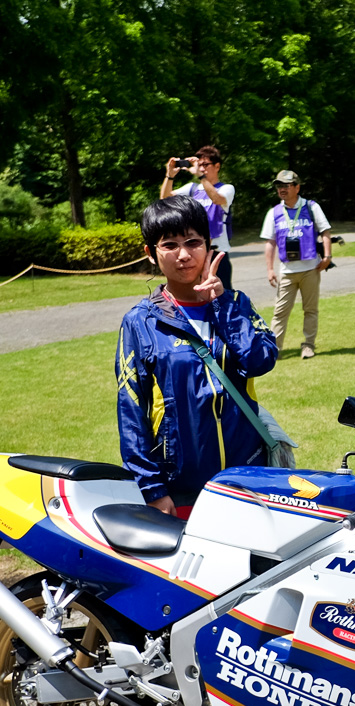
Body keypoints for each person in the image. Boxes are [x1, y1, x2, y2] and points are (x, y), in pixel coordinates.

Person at [117, 197, 276, 517]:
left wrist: (222, 306)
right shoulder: (140, 321)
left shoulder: (236, 304)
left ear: (208, 245)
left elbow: (261, 360)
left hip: (248, 476)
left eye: (193, 242)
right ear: (151, 253)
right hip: (182, 485)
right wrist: (152, 489)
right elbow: (131, 410)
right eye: (170, 245)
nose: (184, 254)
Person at [261, 169, 332, 359]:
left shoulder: (311, 207)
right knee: (280, 312)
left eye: (286, 185)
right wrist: (269, 269)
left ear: (297, 187)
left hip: (310, 269)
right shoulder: (274, 212)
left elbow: (325, 232)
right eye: (279, 186)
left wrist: (327, 257)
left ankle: (308, 345)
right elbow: (270, 242)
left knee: (310, 310)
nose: (281, 189)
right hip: (286, 271)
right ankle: (275, 349)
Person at [161, 145, 236, 290]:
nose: (201, 168)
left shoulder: (226, 188)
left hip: (217, 252)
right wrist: (169, 175)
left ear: (217, 166)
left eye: (205, 165)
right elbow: (164, 198)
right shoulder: (192, 189)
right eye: (199, 165)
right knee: (197, 295)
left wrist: (200, 176)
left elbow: (216, 199)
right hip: (196, 253)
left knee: (223, 296)